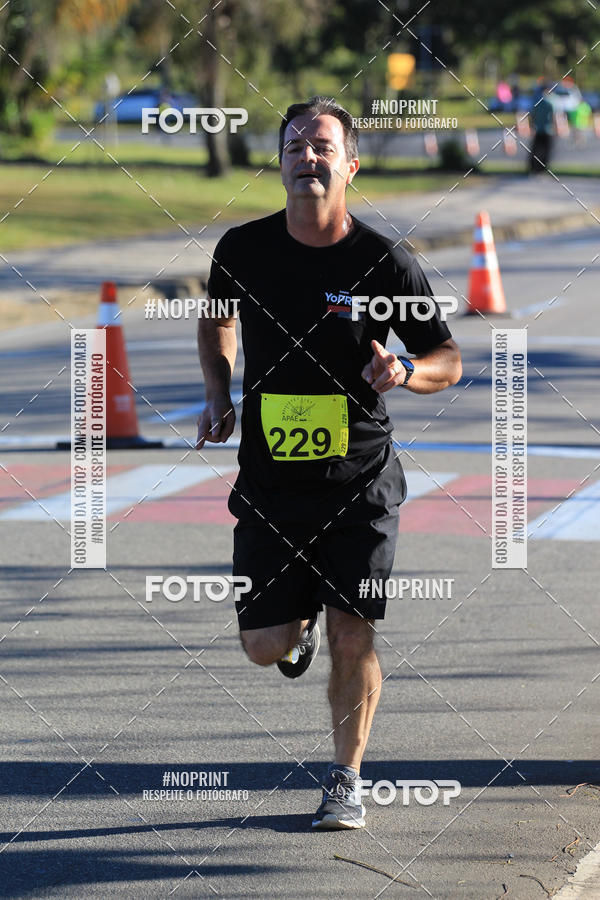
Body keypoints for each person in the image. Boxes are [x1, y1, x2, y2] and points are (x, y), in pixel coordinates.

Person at [196, 96, 462, 830]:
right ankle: (294, 627)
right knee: (262, 646)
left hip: (360, 483)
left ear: (348, 164)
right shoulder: (242, 251)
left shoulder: (383, 261)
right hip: (272, 480)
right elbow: (216, 318)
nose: (306, 156)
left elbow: (449, 356)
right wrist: (217, 393)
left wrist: (406, 372)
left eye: (321, 145)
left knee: (356, 631)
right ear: (278, 162)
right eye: (293, 145)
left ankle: (345, 780)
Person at [529, 84, 555, 172]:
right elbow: (555, 116)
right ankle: (541, 168)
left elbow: (533, 115)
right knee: (545, 150)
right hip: (548, 130)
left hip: (538, 129)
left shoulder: (537, 101)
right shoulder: (551, 102)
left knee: (536, 149)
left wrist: (532, 126)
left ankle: (534, 167)